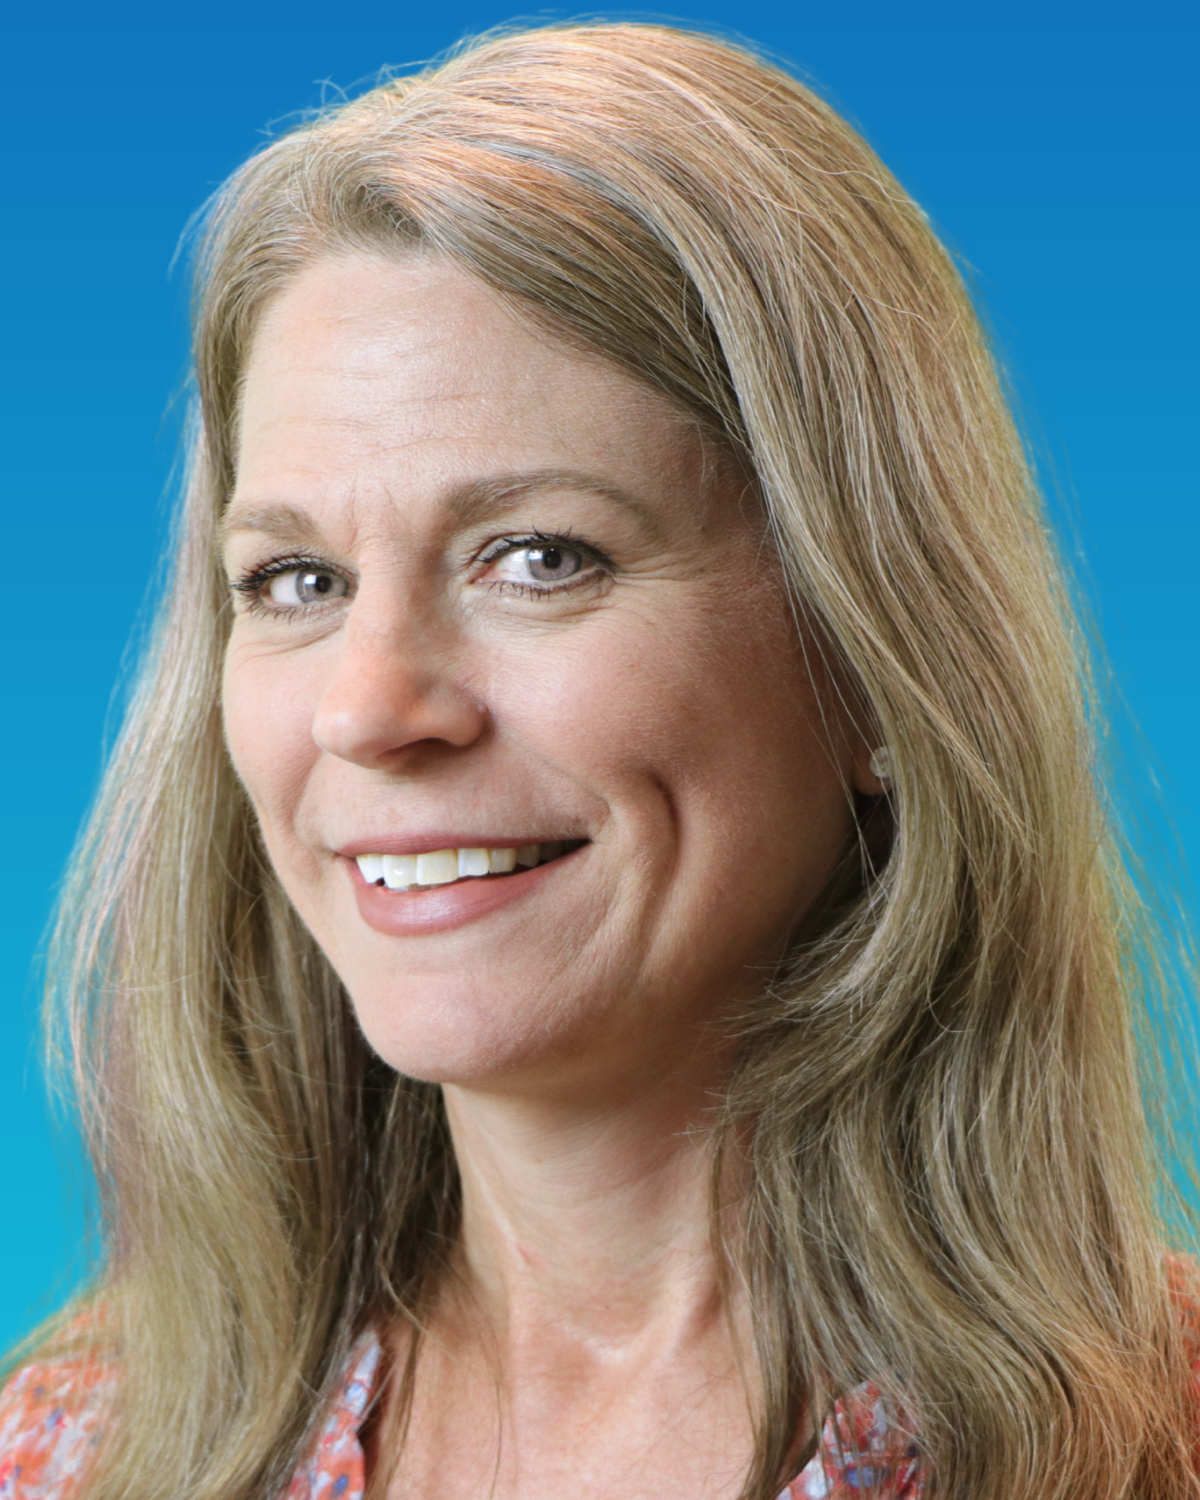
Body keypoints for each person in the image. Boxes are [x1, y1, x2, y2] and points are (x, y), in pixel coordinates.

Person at [1, 21, 1196, 1500]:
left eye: (539, 557)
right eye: (296, 580)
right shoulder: (73, 1458)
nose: (369, 711)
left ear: (883, 660)